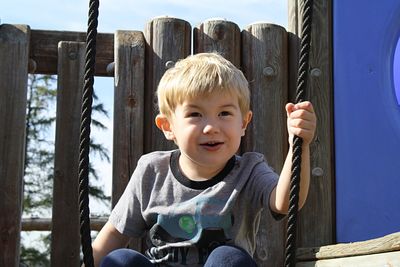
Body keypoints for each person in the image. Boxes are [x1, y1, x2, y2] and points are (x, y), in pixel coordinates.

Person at [91, 52, 317, 267]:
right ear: (168, 127)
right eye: (195, 115)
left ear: (244, 123)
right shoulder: (152, 171)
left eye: (224, 114)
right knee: (120, 260)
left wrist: (299, 146)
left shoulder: (249, 170)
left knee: (227, 259)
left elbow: (287, 201)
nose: (211, 127)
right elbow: (113, 235)